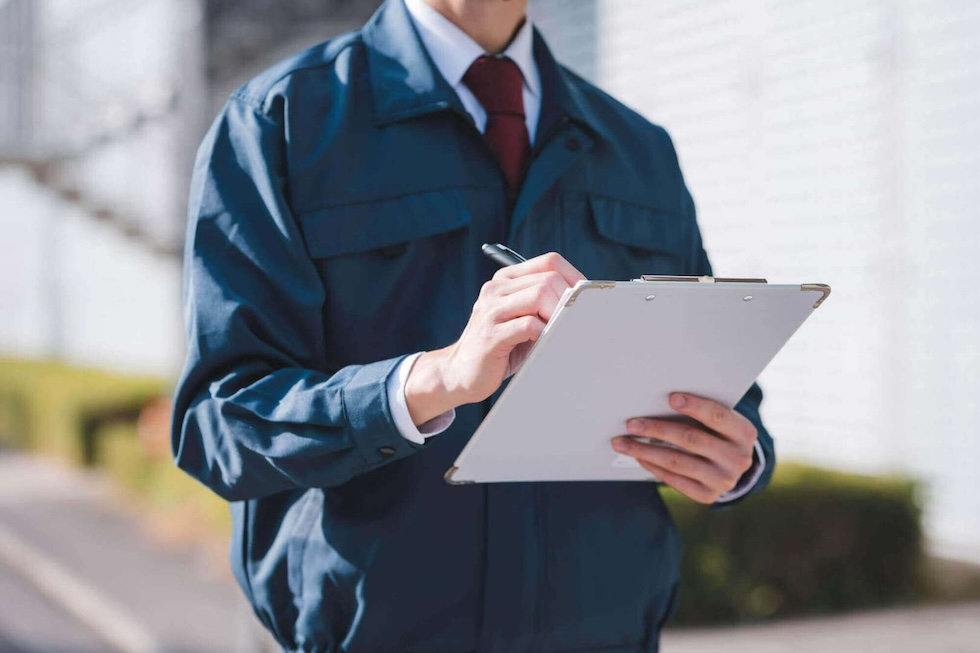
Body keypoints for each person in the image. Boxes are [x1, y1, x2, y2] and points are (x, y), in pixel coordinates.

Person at [171, 0, 773, 651]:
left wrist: (737, 458)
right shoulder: (282, 124)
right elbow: (218, 424)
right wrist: (429, 382)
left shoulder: (639, 150)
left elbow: (724, 395)